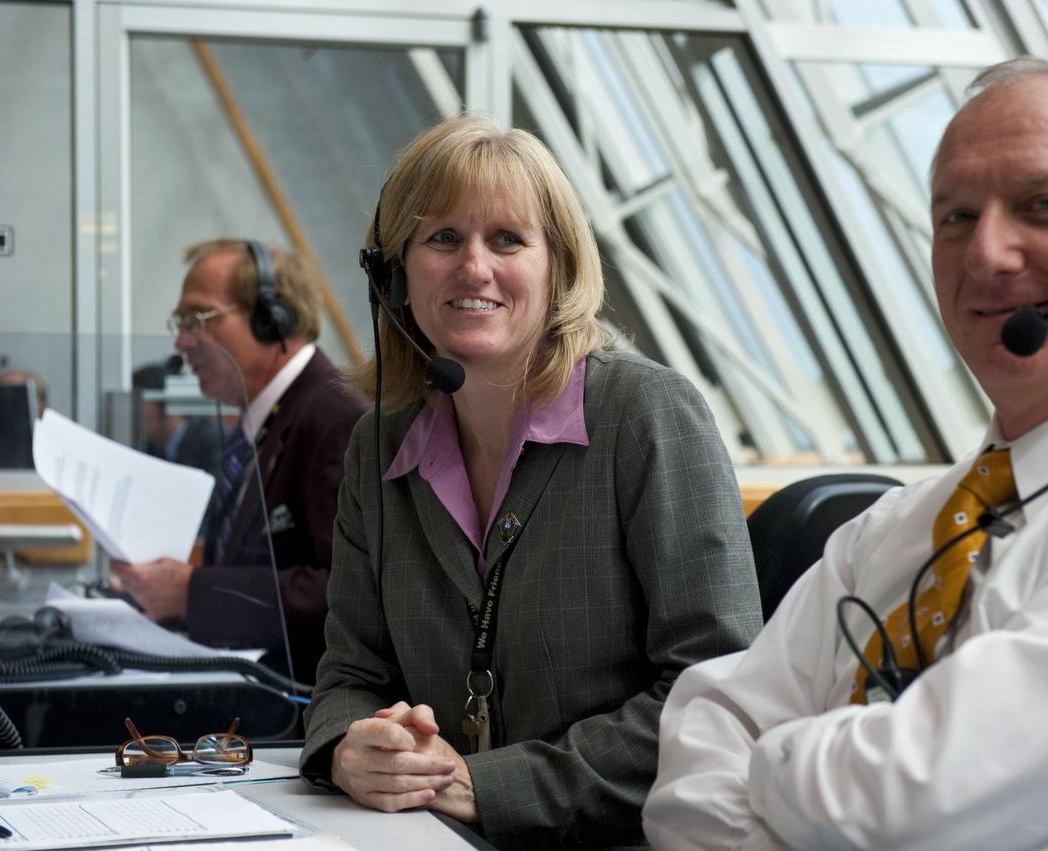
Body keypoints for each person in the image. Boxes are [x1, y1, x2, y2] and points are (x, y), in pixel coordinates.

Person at [643, 57, 1048, 850]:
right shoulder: (893, 529)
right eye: (955, 217)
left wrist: (774, 764)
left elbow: (927, 806)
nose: (987, 255)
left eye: (1043, 205)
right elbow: (704, 737)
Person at [299, 114, 763, 849]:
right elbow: (352, 670)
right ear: (392, 274)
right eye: (442, 238)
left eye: (508, 240)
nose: (473, 268)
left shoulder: (645, 416)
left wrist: (488, 785)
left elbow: (717, 693)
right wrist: (350, 747)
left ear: (559, 267)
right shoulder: (376, 447)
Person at [111, 239, 368, 685]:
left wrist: (192, 594)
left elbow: (347, 589)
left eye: (198, 318)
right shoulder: (267, 420)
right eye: (180, 322)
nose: (181, 340)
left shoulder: (336, 417)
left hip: (303, 716)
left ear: (274, 320)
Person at [132, 357, 223, 474]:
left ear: (166, 401)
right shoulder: (149, 449)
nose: (133, 414)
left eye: (138, 404)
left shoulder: (212, 442)